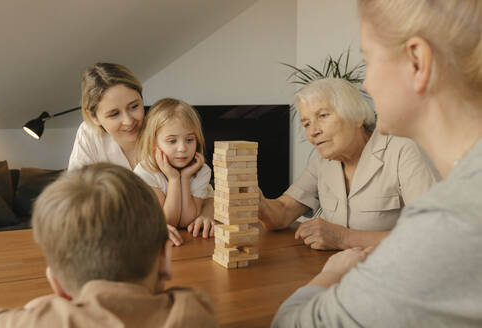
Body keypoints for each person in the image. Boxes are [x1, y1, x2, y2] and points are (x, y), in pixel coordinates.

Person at [272, 0, 482, 327]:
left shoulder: (451, 221)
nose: (366, 85)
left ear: (417, 61)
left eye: (368, 60)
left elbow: (290, 324)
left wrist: (333, 272)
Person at [0, 163, 218, 327]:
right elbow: (189, 298)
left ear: (56, 283)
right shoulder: (194, 312)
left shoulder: (42, 322)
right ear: (164, 258)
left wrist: (37, 308)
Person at [259, 78, 438, 250]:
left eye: (323, 116)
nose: (313, 131)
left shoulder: (402, 151)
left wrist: (342, 238)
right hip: (340, 271)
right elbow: (282, 212)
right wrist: (254, 200)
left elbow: (430, 233)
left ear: (357, 117)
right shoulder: (322, 163)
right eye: (306, 123)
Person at [68, 63, 214, 243]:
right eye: (114, 114)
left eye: (134, 106)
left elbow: (204, 188)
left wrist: (208, 213)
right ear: (94, 117)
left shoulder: (161, 130)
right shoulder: (89, 136)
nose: (129, 121)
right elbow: (76, 203)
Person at [134, 98, 215, 236]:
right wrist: (173, 178)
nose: (183, 148)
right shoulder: (145, 172)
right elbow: (169, 221)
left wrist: (184, 178)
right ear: (153, 144)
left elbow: (186, 220)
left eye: (189, 140)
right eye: (172, 141)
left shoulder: (202, 170)